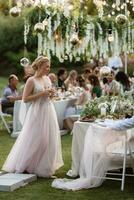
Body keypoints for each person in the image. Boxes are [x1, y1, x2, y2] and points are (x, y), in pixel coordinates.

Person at [2, 56, 63, 177]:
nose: (48, 69)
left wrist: (51, 94)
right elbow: (25, 99)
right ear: (40, 66)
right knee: (36, 139)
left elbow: (49, 96)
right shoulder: (31, 80)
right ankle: (26, 165)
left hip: (48, 110)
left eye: (49, 66)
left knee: (49, 139)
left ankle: (44, 168)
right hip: (37, 112)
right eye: (47, 66)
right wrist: (42, 93)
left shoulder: (47, 79)